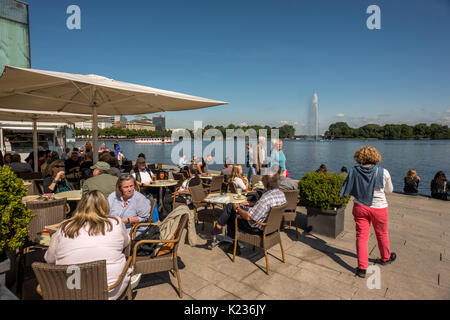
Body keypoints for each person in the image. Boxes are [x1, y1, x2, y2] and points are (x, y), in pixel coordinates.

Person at [44, 190, 140, 300]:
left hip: (71, 291)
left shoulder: (64, 227)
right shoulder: (115, 223)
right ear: (105, 205)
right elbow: (126, 242)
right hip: (109, 290)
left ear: (81, 206)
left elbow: (50, 259)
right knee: (125, 261)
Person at [340, 146, 396, 278]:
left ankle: (362, 268)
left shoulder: (354, 171)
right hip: (379, 208)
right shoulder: (383, 172)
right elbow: (389, 190)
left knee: (361, 236)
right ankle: (385, 257)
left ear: (359, 157)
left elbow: (349, 186)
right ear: (375, 156)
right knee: (382, 234)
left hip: (360, 206)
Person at [212, 173, 286, 254]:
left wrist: (237, 209)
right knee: (232, 209)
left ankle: (232, 243)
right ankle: (221, 227)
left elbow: (249, 217)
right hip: (272, 228)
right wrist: (251, 204)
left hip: (257, 229)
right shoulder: (281, 194)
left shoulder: (266, 198)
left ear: (267, 184)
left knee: (231, 210)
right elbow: (267, 206)